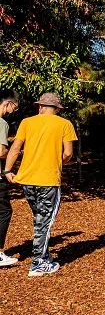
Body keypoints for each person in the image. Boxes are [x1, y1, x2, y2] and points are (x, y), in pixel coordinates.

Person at [2, 92, 77, 277]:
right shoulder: (65, 124)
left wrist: (7, 171)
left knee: (39, 218)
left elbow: (15, 148)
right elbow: (68, 153)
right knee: (45, 221)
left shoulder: (27, 123)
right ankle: (38, 263)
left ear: (41, 106)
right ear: (57, 108)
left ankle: (44, 254)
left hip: (27, 180)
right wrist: (55, 161)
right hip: (48, 180)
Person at [0, 92, 20, 267]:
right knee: (4, 212)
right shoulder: (1, 123)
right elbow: (1, 151)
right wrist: (13, 149)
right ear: (7, 104)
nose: (12, 112)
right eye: (13, 108)